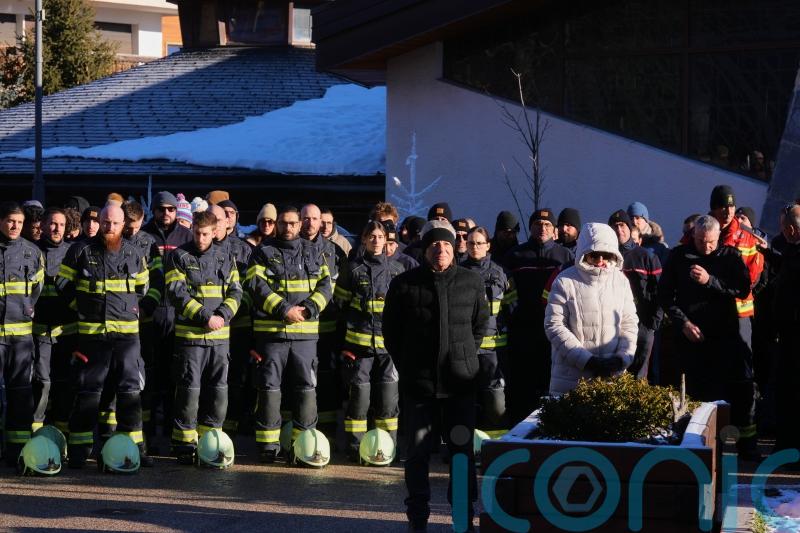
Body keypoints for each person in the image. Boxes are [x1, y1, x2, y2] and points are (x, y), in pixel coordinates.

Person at [383, 220, 489, 532]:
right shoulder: (403, 285)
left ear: (454, 248)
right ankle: (418, 517)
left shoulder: (471, 282)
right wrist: (411, 366)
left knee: (460, 454)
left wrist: (463, 357)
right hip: (420, 390)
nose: (440, 250)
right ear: (425, 249)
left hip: (459, 388)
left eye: (445, 244)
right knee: (416, 455)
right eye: (433, 245)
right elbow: (392, 333)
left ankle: (462, 516)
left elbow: (479, 327)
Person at [55, 205, 153, 468]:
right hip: (92, 336)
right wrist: (84, 308)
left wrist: (127, 309)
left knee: (129, 393)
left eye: (115, 223)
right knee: (88, 392)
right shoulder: (81, 250)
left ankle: (134, 449)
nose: (109, 228)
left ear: (124, 225)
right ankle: (78, 451)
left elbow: (143, 287)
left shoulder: (135, 253)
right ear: (99, 222)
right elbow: (62, 285)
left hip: (127, 338)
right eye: (105, 222)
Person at [657, 215, 756, 458]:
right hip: (691, 340)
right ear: (693, 236)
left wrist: (710, 281)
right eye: (701, 241)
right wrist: (684, 323)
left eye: (711, 242)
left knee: (726, 397)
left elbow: (743, 289)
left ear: (718, 237)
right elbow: (665, 296)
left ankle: (727, 450)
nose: (707, 247)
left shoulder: (729, 256)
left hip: (724, 339)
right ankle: (694, 449)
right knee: (695, 396)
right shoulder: (679, 256)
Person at [245, 205, 332, 463]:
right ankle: (268, 446)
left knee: (306, 388)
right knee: (269, 388)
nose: (288, 227)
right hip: (272, 333)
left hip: (305, 333)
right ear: (277, 224)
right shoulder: (263, 252)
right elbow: (254, 285)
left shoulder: (315, 251)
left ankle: (301, 442)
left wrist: (308, 309)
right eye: (283, 223)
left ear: (300, 224)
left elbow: (327, 285)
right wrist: (284, 310)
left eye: (293, 223)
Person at [165, 210, 242, 463]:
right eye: (197, 233)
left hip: (220, 338)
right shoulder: (179, 256)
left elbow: (236, 291)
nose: (200, 238)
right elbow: (177, 293)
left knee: (218, 391)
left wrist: (221, 315)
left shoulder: (225, 256)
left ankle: (212, 441)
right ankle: (185, 444)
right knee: (189, 391)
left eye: (206, 234)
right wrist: (205, 317)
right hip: (191, 339)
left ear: (214, 232)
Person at [334, 221, 404, 461]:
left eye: (380, 236)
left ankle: (387, 448)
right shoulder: (352, 269)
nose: (376, 240)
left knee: (388, 401)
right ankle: (356, 448)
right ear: (363, 240)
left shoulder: (397, 270)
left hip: (389, 348)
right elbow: (340, 305)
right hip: (359, 347)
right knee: (359, 399)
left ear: (387, 241)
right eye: (371, 236)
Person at [545, 223, 638, 395]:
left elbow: (629, 323)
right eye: (594, 255)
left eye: (606, 255)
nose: (601, 261)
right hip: (571, 379)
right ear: (583, 253)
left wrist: (622, 358)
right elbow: (554, 325)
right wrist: (587, 361)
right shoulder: (564, 281)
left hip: (612, 377)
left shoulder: (621, 281)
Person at [503, 208, 574, 423]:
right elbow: (507, 293)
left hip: (554, 330)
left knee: (551, 380)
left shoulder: (565, 256)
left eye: (546, 224)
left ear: (554, 230)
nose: (542, 228)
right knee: (522, 382)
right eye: (537, 224)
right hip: (523, 329)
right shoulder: (516, 255)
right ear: (530, 227)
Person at [141, 191, 192, 442]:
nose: (166, 214)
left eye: (171, 209)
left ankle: (174, 434)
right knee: (150, 376)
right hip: (150, 314)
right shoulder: (144, 235)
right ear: (153, 210)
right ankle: (149, 434)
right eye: (161, 209)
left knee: (175, 375)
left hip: (178, 314)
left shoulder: (187, 236)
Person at [460, 226, 515, 438]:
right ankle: (463, 446)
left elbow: (512, 307)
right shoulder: (458, 272)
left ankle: (497, 446)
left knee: (495, 402)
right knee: (466, 401)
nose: (474, 247)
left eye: (479, 243)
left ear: (488, 245)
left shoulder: (501, 273)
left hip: (495, 350)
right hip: (466, 349)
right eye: (471, 243)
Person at [0, 202, 44, 465]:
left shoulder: (32, 252)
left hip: (21, 338)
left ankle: (17, 452)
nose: (15, 226)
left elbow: (36, 289)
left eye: (18, 221)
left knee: (20, 394)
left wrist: (26, 308)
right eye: (9, 221)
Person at [208, 204, 253, 436]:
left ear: (228, 222)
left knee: (236, 376)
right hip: (208, 326)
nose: (214, 224)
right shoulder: (197, 248)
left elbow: (248, 289)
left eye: (219, 219)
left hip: (238, 324)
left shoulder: (242, 250)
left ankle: (232, 423)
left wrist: (227, 312)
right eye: (210, 219)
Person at [122, 201, 164, 448]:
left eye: (136, 227)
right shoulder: (112, 238)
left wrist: (148, 306)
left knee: (145, 378)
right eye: (129, 227)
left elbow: (158, 280)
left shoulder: (149, 243)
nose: (132, 232)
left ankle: (145, 434)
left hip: (144, 321)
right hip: (118, 321)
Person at [32, 208, 76, 436]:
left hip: (67, 333)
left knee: (64, 384)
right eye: (52, 224)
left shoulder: (73, 252)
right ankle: (37, 432)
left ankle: (62, 433)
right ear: (43, 225)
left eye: (61, 224)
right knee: (42, 383)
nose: (57, 228)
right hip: (39, 332)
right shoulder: (32, 251)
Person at [608, 210, 662, 379]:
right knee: (615, 374)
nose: (619, 230)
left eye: (622, 225)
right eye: (615, 226)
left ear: (630, 229)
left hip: (643, 324)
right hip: (612, 326)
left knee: (638, 376)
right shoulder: (605, 257)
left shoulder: (646, 257)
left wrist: (653, 322)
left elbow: (660, 289)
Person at [773, 205, 800, 453]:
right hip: (789, 333)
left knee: (791, 393)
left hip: (794, 337)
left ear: (790, 229)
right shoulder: (792, 251)